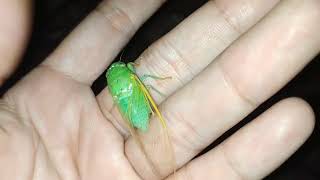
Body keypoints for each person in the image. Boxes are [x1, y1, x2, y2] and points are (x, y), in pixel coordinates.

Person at [0, 0, 318, 179]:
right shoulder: (132, 75)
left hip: (134, 109)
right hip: (140, 106)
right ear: (124, 73)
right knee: (154, 99)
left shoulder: (120, 84)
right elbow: (147, 81)